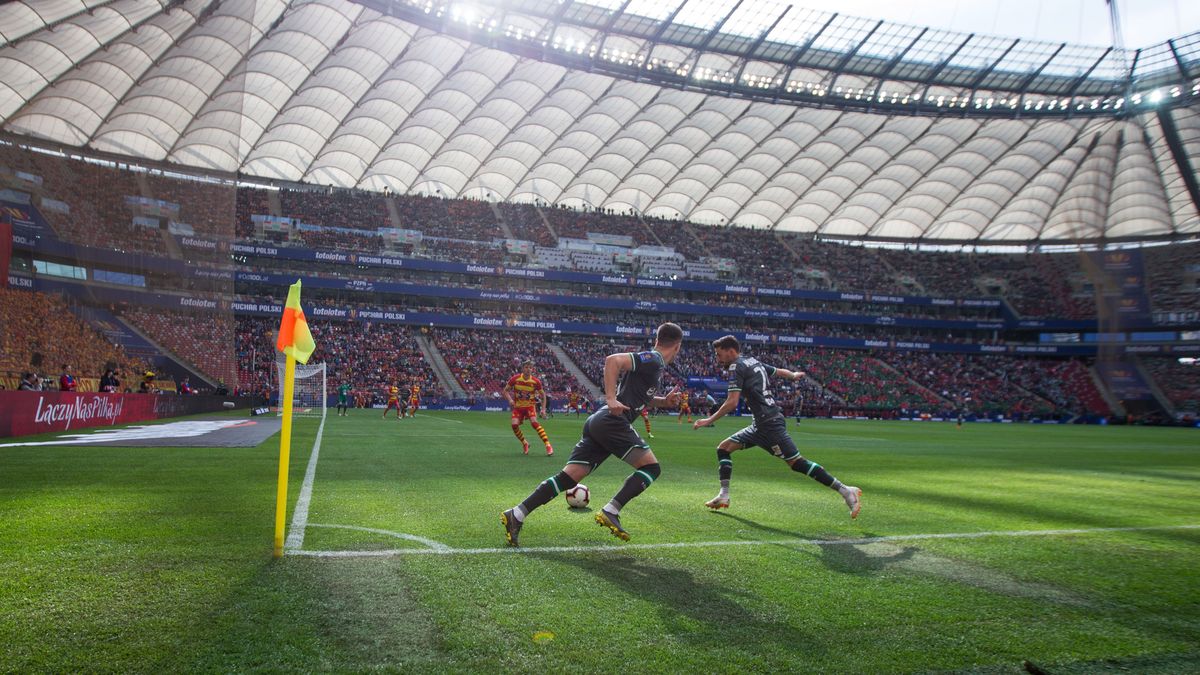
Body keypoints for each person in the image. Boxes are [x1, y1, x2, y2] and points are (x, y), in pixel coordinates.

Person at [502, 323, 684, 546]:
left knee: (569, 477)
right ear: (677, 346)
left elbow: (636, 396)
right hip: (612, 421)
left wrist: (663, 401)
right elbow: (613, 361)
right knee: (651, 468)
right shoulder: (654, 359)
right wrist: (610, 398)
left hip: (601, 422)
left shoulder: (655, 366)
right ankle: (611, 510)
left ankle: (517, 514)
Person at [694, 335, 861, 519]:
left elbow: (732, 402)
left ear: (730, 351)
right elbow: (777, 371)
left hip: (769, 424)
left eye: (719, 355)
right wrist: (793, 375)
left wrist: (709, 420)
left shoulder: (736, 366)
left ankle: (845, 490)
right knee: (724, 448)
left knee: (797, 463)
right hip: (759, 424)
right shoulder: (752, 361)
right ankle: (724, 495)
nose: (718, 359)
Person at [503, 360, 553, 456]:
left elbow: (543, 395)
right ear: (523, 368)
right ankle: (525, 443)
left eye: (530, 367)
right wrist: (510, 400)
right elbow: (505, 391)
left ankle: (548, 445)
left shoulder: (536, 381)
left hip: (530, 406)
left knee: (534, 423)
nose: (528, 369)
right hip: (518, 407)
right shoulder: (515, 379)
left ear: (532, 369)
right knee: (514, 425)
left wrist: (543, 410)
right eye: (526, 367)